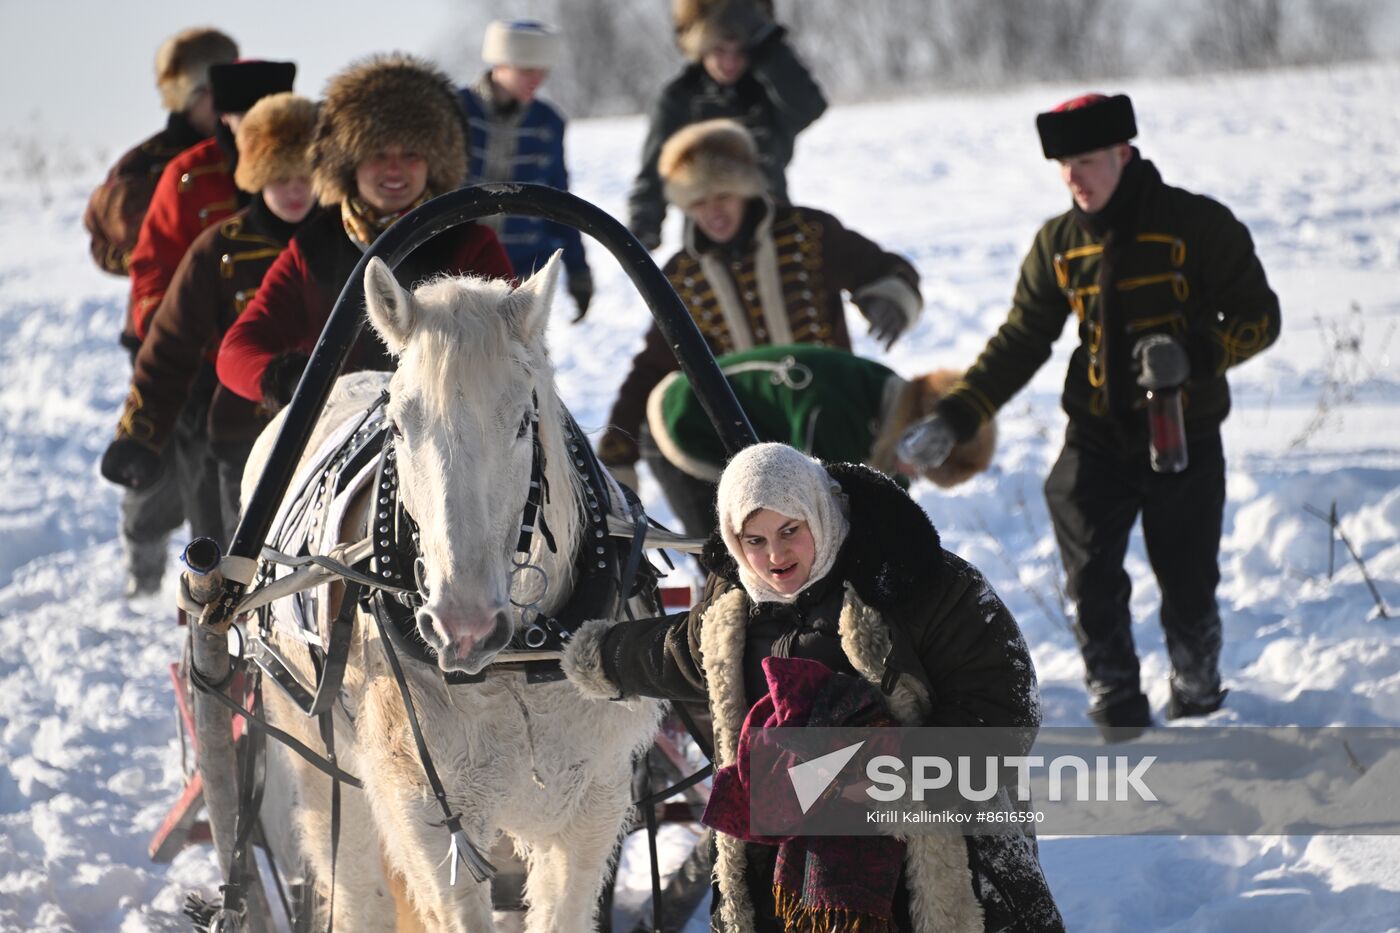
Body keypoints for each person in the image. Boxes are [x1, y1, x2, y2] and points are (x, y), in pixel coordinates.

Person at [898, 93, 1281, 737]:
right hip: (1097, 434)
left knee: (1187, 581)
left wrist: (1192, 356)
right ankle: (1116, 702)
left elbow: (1259, 319)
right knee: (1091, 574)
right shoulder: (1058, 242)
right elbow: (1022, 339)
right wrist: (957, 417)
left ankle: (1196, 684)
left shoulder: (1197, 224)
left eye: (1087, 160)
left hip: (1182, 432)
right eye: (1063, 164)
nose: (1075, 176)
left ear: (1124, 154)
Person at [562, 442, 1064, 931]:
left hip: (933, 858)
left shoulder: (920, 584)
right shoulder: (732, 612)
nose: (775, 555)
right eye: (753, 541)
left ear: (818, 513)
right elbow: (668, 653)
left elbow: (1005, 709)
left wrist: (878, 770)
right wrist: (588, 655)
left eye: (790, 530)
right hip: (786, 880)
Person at [599, 119, 921, 490]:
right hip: (749, 434)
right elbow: (655, 364)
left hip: (830, 413)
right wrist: (616, 452)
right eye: (699, 203)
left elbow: (885, 269)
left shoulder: (808, 232)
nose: (713, 213)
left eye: (723, 196)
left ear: (746, 189)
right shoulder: (683, 275)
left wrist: (888, 298)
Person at [216, 54, 514, 411]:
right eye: (377, 154)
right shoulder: (315, 246)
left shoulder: (469, 243)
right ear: (349, 162)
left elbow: (516, 345)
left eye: (411, 154)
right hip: (338, 437)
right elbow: (238, 347)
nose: (394, 170)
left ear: (434, 161)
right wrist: (288, 379)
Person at [100, 93, 319, 545]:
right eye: (280, 176)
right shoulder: (218, 247)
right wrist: (140, 434)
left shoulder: (342, 240)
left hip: (330, 435)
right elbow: (170, 346)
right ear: (256, 175)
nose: (295, 190)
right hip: (237, 435)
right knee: (224, 574)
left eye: (305, 175)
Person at [644, 343, 996, 536]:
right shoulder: (838, 412)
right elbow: (812, 503)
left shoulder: (889, 403)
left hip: (737, 429)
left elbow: (885, 503)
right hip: (687, 424)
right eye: (926, 463)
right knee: (736, 558)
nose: (917, 476)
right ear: (918, 434)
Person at [126, 59, 298, 351]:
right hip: (202, 356)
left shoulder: (314, 169)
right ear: (224, 118)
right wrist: (173, 339)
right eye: (247, 118)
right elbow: (154, 268)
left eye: (271, 118)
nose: (260, 131)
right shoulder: (188, 176)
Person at [626, 0, 826, 250]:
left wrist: (769, 44)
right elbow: (655, 171)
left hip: (774, 230)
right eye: (719, 51)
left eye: (740, 52)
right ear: (701, 50)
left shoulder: (769, 94)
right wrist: (643, 226)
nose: (730, 62)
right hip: (708, 238)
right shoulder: (680, 99)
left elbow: (810, 107)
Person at [460, 19, 593, 319]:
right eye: (526, 70)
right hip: (452, 267)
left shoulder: (548, 123)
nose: (536, 79)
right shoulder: (455, 110)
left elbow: (559, 201)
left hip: (521, 273)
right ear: (501, 63)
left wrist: (578, 270)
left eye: (542, 71)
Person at [83, 27, 238, 278]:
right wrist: (158, 261)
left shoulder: (250, 151)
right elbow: (102, 243)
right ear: (185, 95)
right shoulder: (145, 163)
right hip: (172, 308)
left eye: (226, 86)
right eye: (206, 90)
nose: (220, 100)